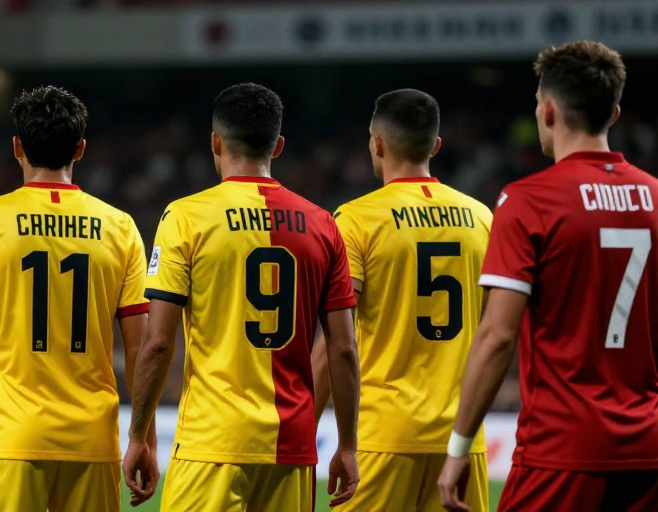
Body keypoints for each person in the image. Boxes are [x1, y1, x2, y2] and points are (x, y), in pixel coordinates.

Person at [439, 41, 658, 512]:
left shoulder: (529, 201)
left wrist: (458, 447)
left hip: (561, 451)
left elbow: (497, 336)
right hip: (648, 450)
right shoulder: (655, 197)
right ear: (614, 114)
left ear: (550, 110)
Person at [123, 83, 361, 511]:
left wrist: (139, 435)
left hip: (211, 442)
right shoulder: (323, 224)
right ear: (278, 145)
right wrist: (347, 445)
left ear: (215, 142)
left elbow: (157, 342)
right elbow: (343, 349)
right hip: (291, 446)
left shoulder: (186, 217)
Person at [0, 86, 152, 512]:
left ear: (17, 147)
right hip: (93, 440)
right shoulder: (120, 227)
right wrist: (143, 438)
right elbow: (140, 348)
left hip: (10, 438)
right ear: (80, 149)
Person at [313, 89, 493, 512]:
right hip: (462, 440)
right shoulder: (483, 218)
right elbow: (493, 328)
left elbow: (335, 342)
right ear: (436, 146)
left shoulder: (356, 220)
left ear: (376, 144)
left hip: (383, 437)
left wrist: (305, 428)